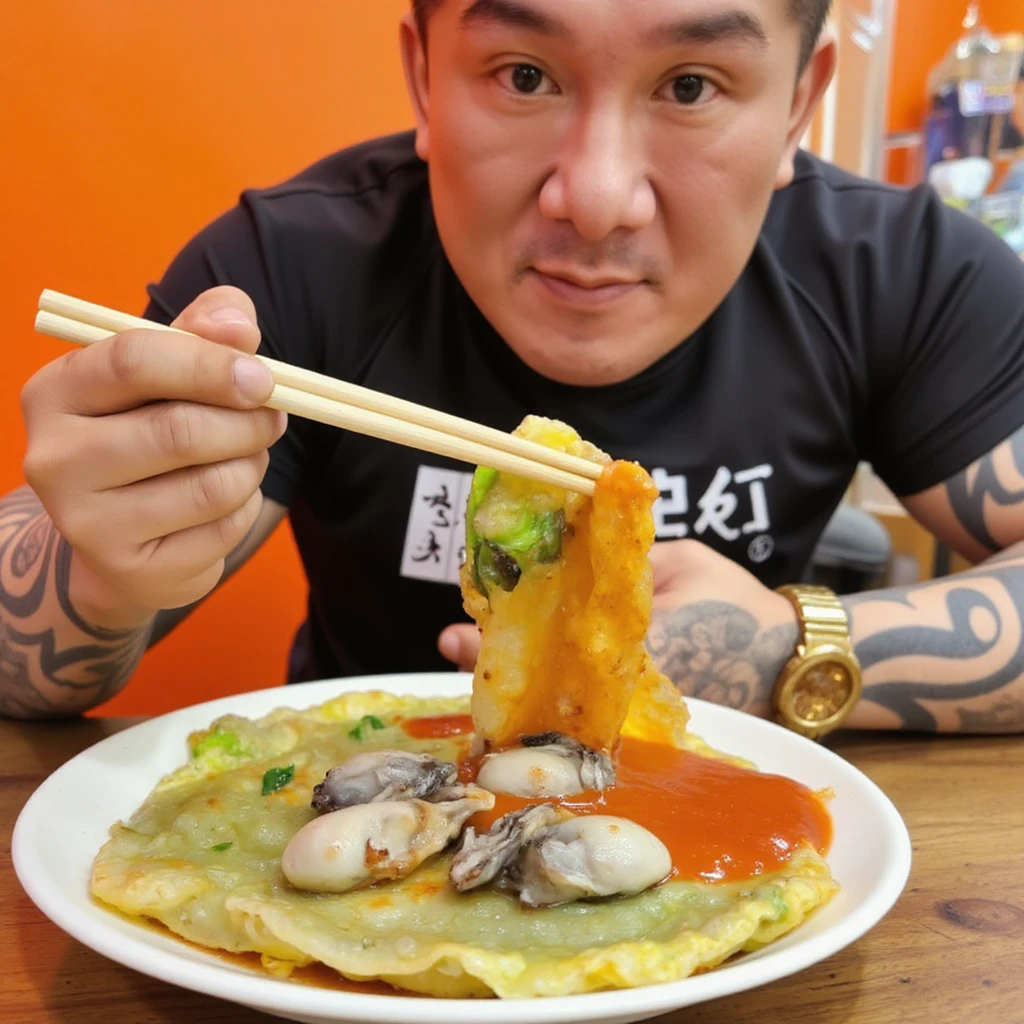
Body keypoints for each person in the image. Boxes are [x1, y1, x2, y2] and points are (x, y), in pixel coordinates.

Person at [3, 0, 1024, 735]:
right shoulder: (290, 270)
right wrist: (97, 561)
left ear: (800, 102)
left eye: (690, 85)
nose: (596, 196)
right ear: (423, 77)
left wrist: (791, 650)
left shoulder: (904, 274)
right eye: (523, 75)